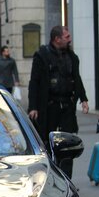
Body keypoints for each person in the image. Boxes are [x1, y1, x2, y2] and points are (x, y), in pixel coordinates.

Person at [28, 25, 89, 178]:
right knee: (47, 144)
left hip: (67, 106)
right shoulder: (42, 56)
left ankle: (67, 179)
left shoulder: (72, 57)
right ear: (57, 39)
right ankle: (50, 178)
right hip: (49, 107)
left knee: (68, 144)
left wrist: (83, 98)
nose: (70, 40)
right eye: (66, 37)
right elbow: (34, 82)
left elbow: (77, 78)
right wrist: (33, 107)